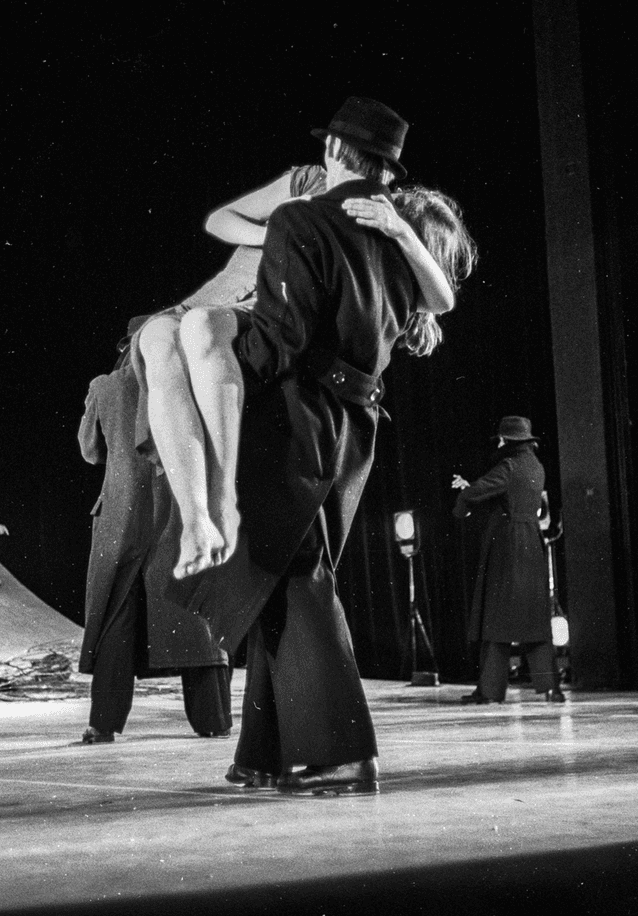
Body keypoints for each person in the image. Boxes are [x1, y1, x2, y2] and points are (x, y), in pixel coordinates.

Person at [171, 96, 477, 797]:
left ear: (334, 153)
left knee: (297, 572)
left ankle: (344, 752)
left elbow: (281, 339)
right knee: (282, 572)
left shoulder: (301, 219)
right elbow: (436, 304)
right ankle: (264, 750)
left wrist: (215, 351)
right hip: (355, 425)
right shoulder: (402, 233)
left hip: (297, 415)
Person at [137, 156, 459, 580]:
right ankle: (200, 517)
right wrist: (282, 229)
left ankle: (210, 514)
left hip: (250, 325)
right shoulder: (310, 184)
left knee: (191, 337)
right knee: (159, 337)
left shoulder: (376, 242)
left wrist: (396, 232)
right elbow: (220, 220)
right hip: (213, 306)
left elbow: (439, 299)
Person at [76, 349, 232, 744]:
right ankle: (212, 719)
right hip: (179, 508)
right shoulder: (190, 376)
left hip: (122, 512)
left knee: (117, 615)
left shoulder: (105, 386)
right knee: (194, 611)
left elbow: (90, 450)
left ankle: (103, 724)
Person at [451, 416, 563, 705]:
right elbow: (505, 493)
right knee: (534, 619)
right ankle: (550, 687)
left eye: (501, 440)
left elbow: (479, 493)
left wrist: (465, 494)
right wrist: (474, 486)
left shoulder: (509, 466)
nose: (498, 444)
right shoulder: (535, 466)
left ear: (507, 442)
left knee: (496, 617)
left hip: (508, 546)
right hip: (531, 544)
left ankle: (489, 691)